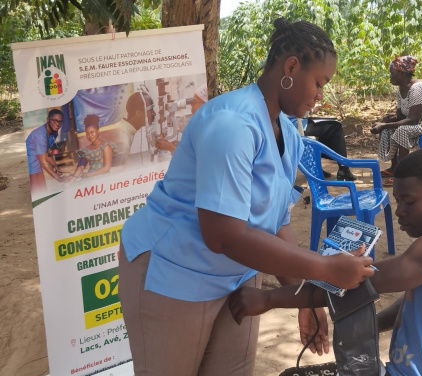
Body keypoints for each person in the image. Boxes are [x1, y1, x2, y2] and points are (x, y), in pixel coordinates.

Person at [118, 18, 375, 376]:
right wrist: (326, 268)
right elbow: (223, 234)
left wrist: (309, 294)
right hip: (174, 271)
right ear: (291, 67)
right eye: (319, 83)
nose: (320, 95)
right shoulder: (232, 124)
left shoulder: (287, 131)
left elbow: (277, 222)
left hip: (237, 276)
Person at [229, 147, 422, 375]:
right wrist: (369, 325)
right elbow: (414, 300)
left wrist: (268, 300)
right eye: (398, 201)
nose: (399, 211)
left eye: (409, 202)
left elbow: (352, 281)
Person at [370, 55, 422, 185]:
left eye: (392, 73)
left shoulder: (417, 89)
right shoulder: (401, 90)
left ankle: (404, 173)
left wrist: (384, 125)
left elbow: (413, 120)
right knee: (391, 127)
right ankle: (395, 167)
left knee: (402, 130)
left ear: (401, 74)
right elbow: (402, 116)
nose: (390, 77)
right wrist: (388, 120)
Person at [26, 108, 68, 194]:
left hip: (38, 167)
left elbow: (46, 153)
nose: (57, 124)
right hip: (32, 168)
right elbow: (43, 162)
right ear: (48, 119)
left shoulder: (54, 133)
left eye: (60, 121)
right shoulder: (40, 135)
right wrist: (58, 178)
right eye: (54, 121)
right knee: (38, 194)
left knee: (42, 192)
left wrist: (54, 165)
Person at [66, 114, 118, 183]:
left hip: (103, 179)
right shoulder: (86, 150)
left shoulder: (105, 146)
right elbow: (81, 167)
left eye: (92, 132)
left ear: (98, 131)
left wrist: (89, 175)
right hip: (90, 179)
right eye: (87, 133)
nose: (90, 135)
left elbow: (107, 167)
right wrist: (71, 180)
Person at [116, 91, 157, 160]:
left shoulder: (127, 130)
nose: (154, 114)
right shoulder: (123, 137)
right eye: (151, 110)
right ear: (138, 113)